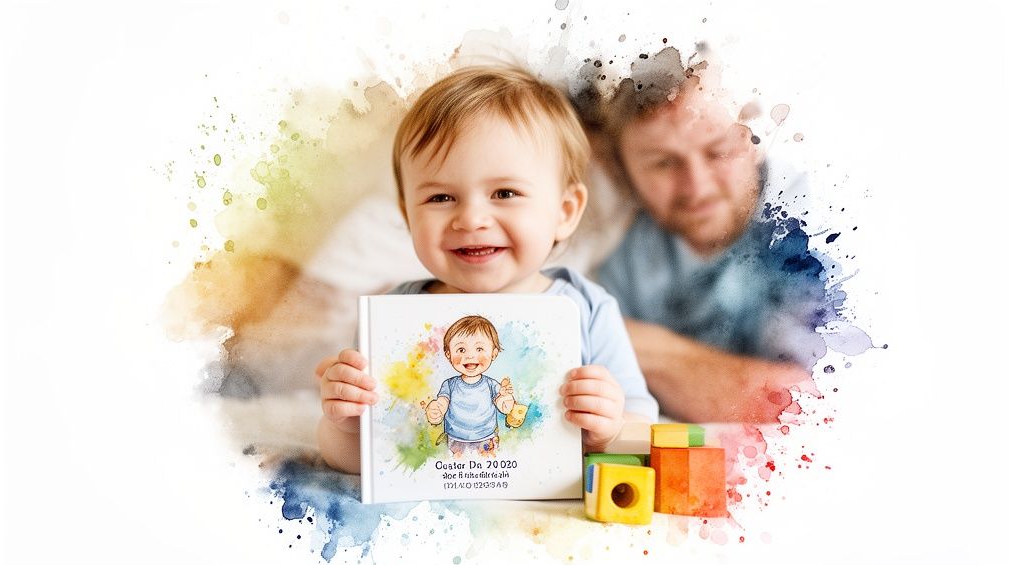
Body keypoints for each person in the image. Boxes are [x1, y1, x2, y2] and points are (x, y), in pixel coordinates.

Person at [315, 65, 659, 474]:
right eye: (441, 198)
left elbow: (643, 432)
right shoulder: (393, 316)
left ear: (565, 212)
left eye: (505, 193)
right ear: (408, 216)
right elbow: (362, 463)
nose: (471, 219)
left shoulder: (587, 309)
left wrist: (609, 431)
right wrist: (347, 425)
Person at [577, 47, 841, 423]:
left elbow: (818, 406)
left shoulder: (820, 223)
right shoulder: (623, 254)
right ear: (623, 171)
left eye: (718, 151)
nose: (697, 187)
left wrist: (638, 344)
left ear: (757, 140)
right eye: (663, 163)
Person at [424, 315, 515, 458]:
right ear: (448, 354)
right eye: (461, 350)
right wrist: (435, 411)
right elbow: (442, 403)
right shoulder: (449, 385)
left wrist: (507, 399)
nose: (470, 356)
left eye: (479, 349)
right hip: (456, 440)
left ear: (493, 353)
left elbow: (504, 407)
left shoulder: (491, 385)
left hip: (487, 439)